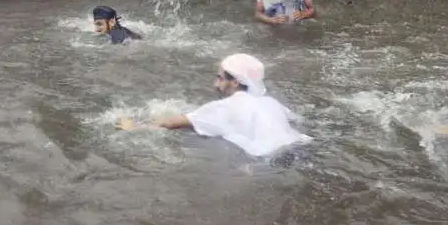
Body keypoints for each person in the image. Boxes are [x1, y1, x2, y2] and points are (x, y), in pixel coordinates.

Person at [117, 53, 311, 157]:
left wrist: (133, 128)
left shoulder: (223, 107)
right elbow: (296, 120)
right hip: (300, 148)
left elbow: (170, 123)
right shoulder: (271, 102)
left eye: (219, 77)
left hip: (266, 159)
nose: (215, 83)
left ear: (235, 82)